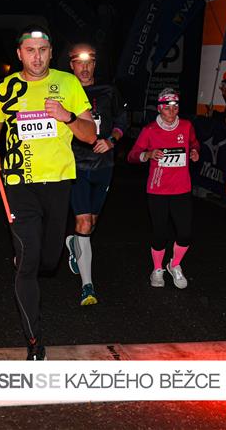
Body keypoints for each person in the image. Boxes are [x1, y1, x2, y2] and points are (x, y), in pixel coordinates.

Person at [0, 24, 96, 360]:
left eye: (42, 50)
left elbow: (90, 135)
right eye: (30, 51)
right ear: (19, 54)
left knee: (48, 261)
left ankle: (47, 251)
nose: (37, 57)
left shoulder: (68, 83)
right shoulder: (5, 88)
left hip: (58, 182)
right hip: (19, 182)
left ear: (50, 52)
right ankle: (34, 342)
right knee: (28, 263)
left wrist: (67, 116)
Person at [64, 43, 127, 306]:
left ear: (95, 65)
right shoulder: (64, 92)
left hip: (104, 166)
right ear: (72, 66)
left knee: (90, 224)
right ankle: (87, 287)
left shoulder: (109, 91)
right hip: (76, 166)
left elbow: (122, 121)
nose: (85, 67)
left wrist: (111, 141)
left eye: (89, 62)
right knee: (84, 224)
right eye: (79, 62)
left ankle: (74, 244)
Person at [127, 88, 200, 289]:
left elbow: (195, 143)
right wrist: (148, 155)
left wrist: (194, 151)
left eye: (175, 107)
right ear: (159, 108)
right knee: (160, 234)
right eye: (167, 108)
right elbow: (132, 155)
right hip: (157, 190)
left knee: (185, 234)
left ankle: (174, 265)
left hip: (182, 189)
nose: (172, 112)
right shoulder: (150, 130)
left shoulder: (186, 126)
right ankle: (157, 269)